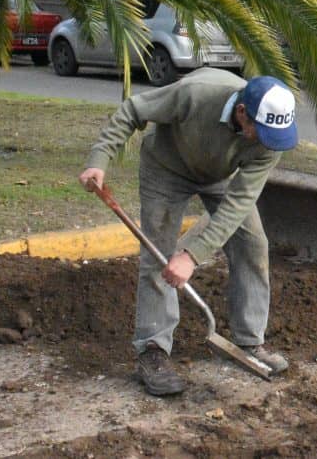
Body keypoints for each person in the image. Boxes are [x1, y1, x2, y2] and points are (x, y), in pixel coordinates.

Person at [78, 68, 298, 396]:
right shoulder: (198, 93)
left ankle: (250, 342)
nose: (268, 143)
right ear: (242, 113)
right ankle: (153, 350)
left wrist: (193, 255)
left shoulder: (271, 139)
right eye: (261, 132)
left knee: (252, 243)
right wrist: (99, 159)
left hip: (220, 176)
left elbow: (237, 204)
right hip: (166, 169)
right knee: (160, 254)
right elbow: (133, 110)